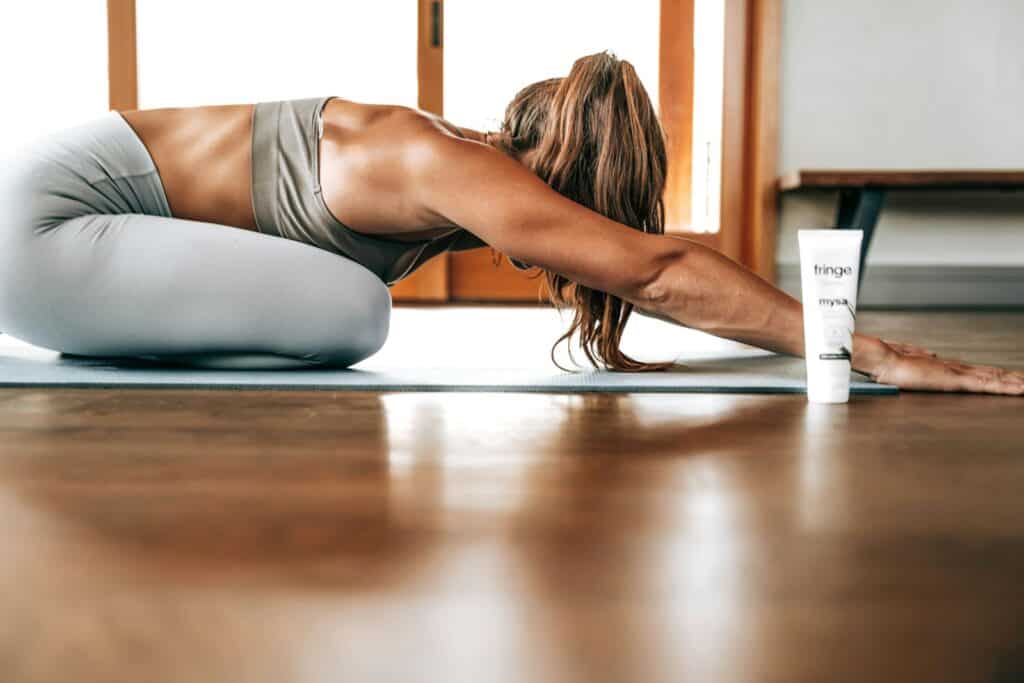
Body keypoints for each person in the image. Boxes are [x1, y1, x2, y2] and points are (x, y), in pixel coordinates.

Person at [0, 51, 1019, 393]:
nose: (570, 240)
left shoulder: (442, 162)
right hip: (44, 228)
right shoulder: (439, 160)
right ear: (550, 170)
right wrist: (876, 351)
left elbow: (640, 269)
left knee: (340, 305)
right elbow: (655, 272)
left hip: (59, 230)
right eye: (579, 208)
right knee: (352, 310)